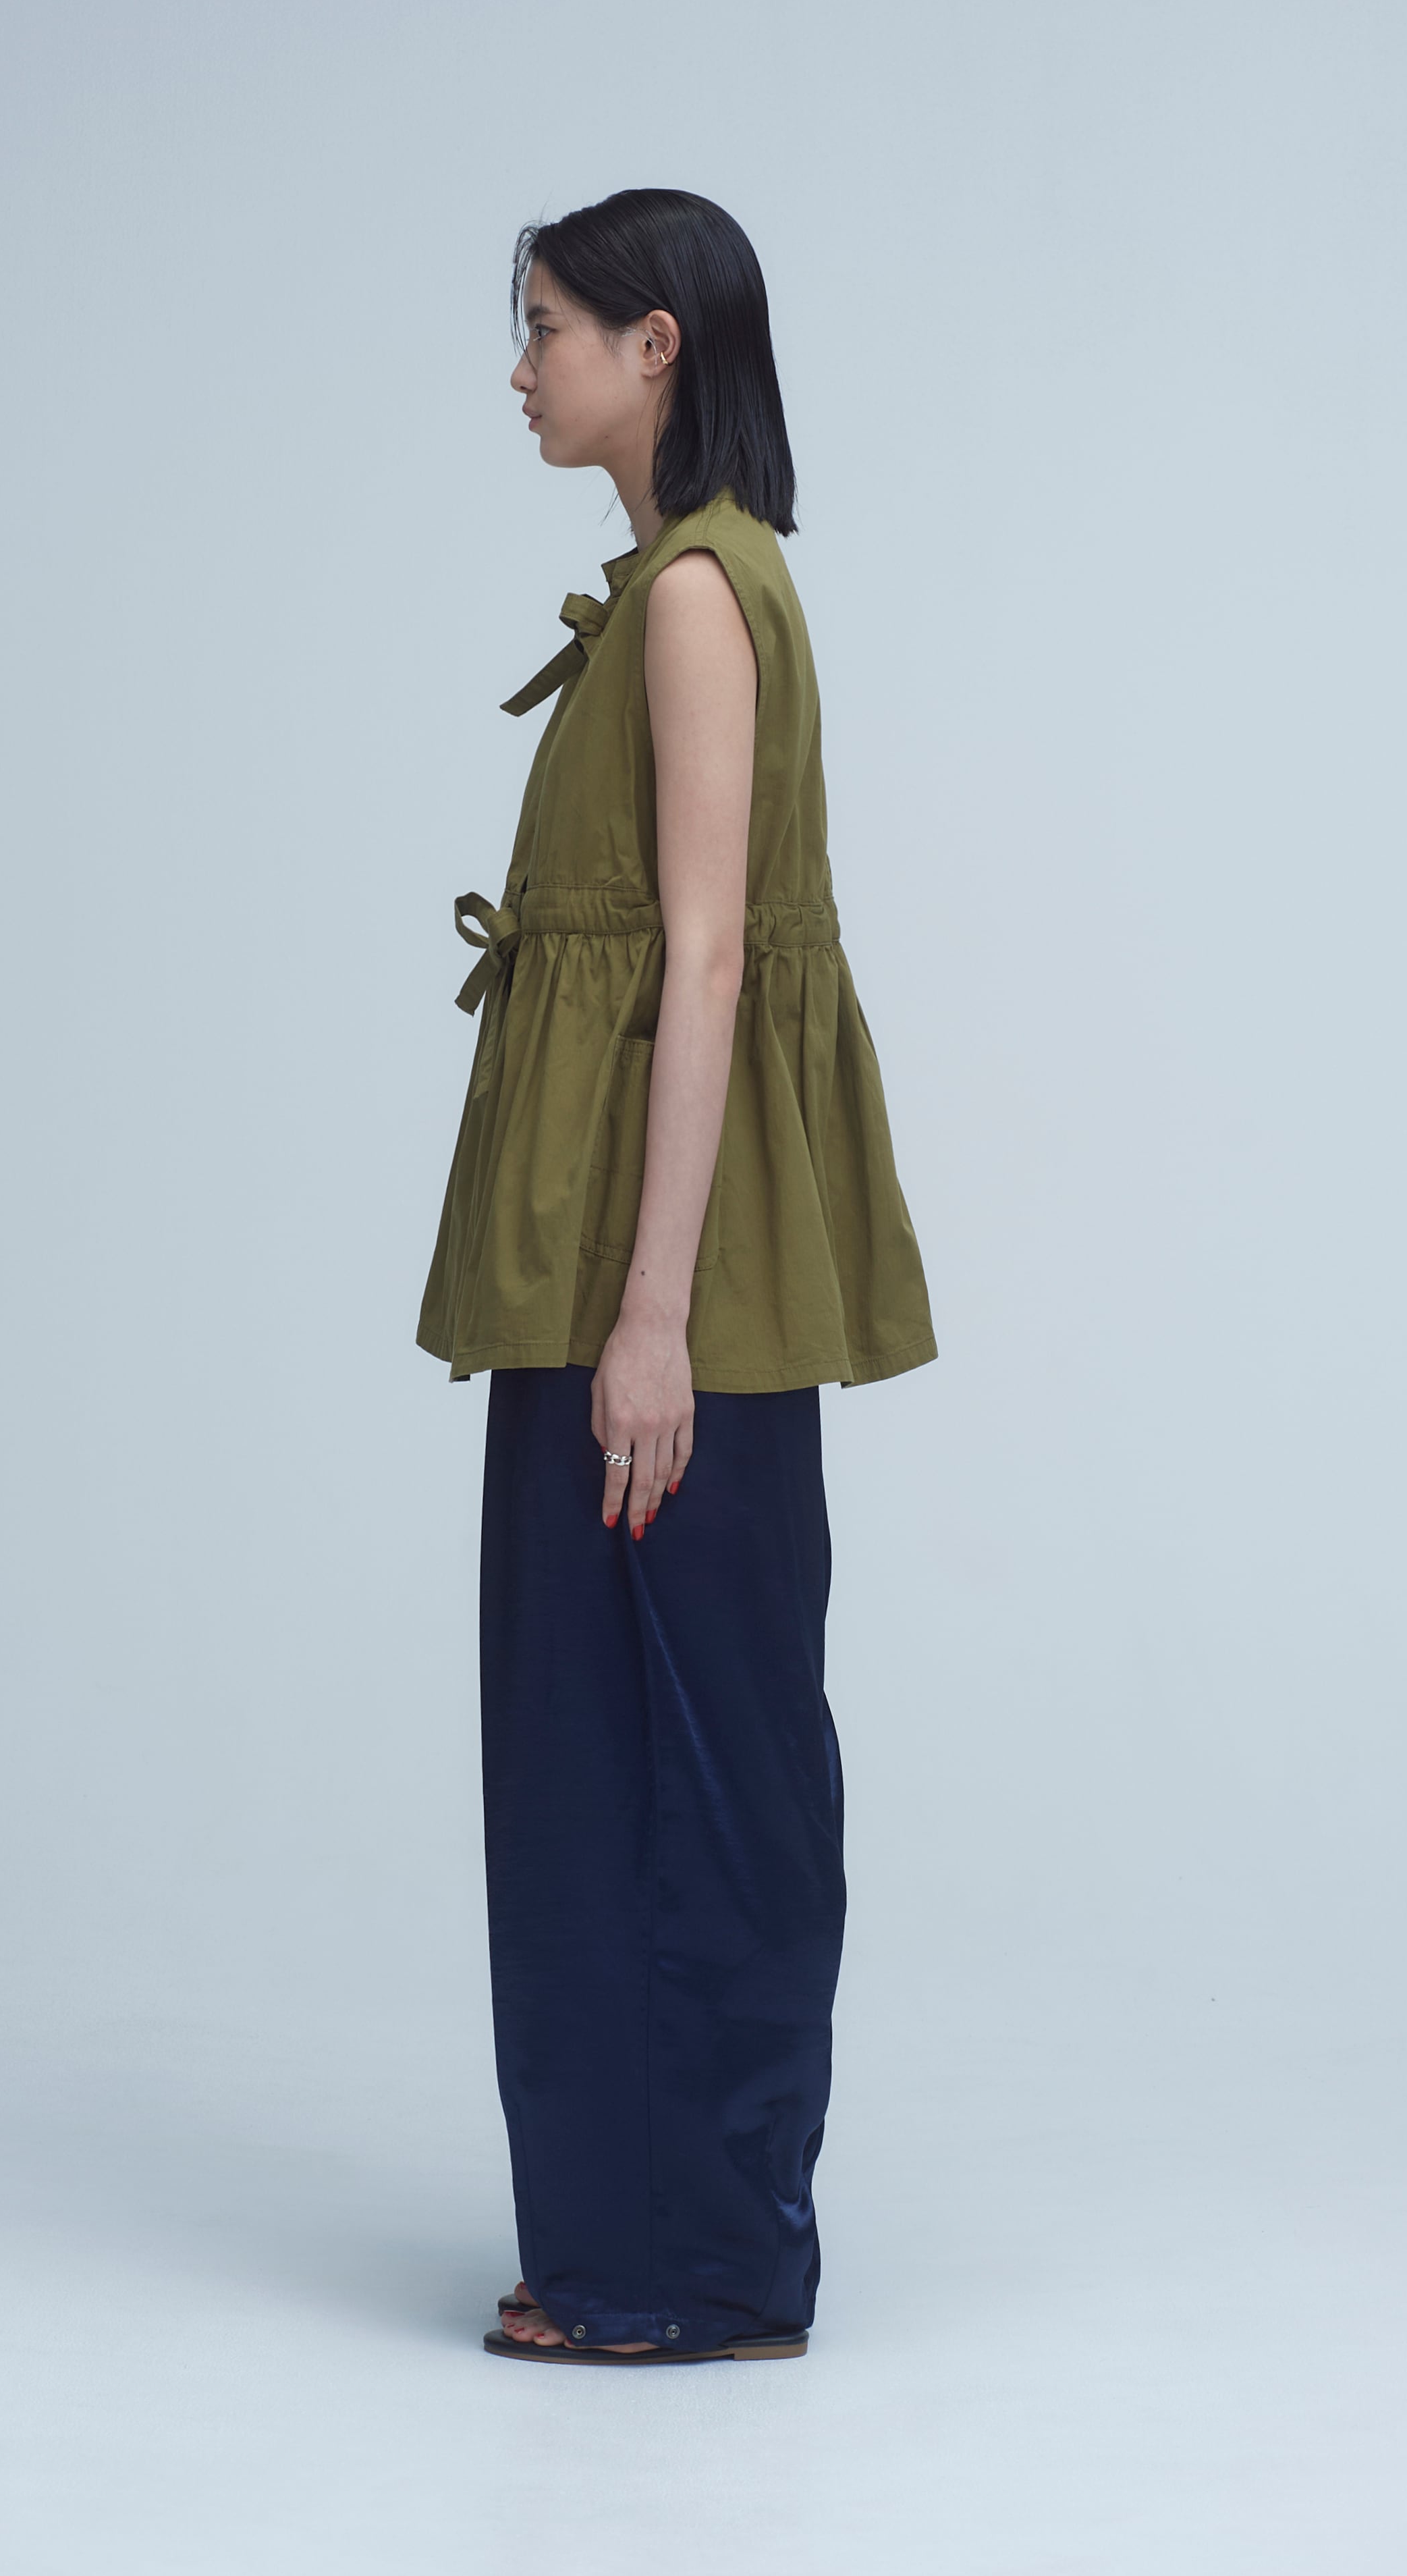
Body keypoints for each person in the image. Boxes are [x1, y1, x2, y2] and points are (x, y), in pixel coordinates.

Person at [419, 188, 935, 2365]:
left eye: (546, 325)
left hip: (664, 1276)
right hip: (606, 1259)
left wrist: (654, 1319)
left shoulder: (704, 598)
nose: (520, 366)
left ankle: (700, 2262)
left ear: (657, 346)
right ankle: (635, 2239)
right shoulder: (675, 585)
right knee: (593, 1744)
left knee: (687, 1752)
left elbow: (709, 956)